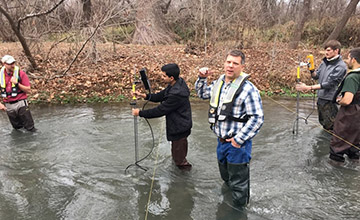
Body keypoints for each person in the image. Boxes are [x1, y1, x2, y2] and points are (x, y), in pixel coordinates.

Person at [195, 49, 264, 207]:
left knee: (239, 184)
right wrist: (201, 78)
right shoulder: (219, 83)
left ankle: (238, 211)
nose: (231, 66)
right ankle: (227, 202)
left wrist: (238, 140)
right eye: (228, 62)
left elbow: (257, 118)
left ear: (242, 66)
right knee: (226, 177)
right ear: (224, 63)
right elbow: (202, 94)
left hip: (237, 145)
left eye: (235, 63)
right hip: (221, 142)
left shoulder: (248, 89)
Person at [132, 63, 192, 170]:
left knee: (180, 162)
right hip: (178, 126)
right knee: (177, 156)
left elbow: (160, 111)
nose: (162, 78)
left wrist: (140, 113)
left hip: (180, 128)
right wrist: (144, 96)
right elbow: (161, 96)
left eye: (164, 76)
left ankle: (184, 181)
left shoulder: (177, 93)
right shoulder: (176, 83)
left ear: (171, 77)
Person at [296, 40, 347, 130]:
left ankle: (332, 142)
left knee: (331, 125)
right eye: (325, 50)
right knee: (323, 122)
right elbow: (316, 76)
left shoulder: (340, 66)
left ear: (336, 51)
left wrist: (309, 87)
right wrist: (311, 69)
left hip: (330, 100)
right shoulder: (324, 63)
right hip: (321, 98)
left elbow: (330, 83)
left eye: (328, 50)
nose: (326, 52)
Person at [329, 48, 360, 164]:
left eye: (348, 58)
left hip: (350, 115)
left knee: (338, 145)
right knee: (355, 145)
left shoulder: (353, 77)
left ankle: (333, 172)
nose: (347, 60)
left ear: (354, 59)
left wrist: (339, 101)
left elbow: (347, 100)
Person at [0, 55, 35, 131]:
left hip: (21, 104)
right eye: (10, 64)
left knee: (30, 129)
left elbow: (28, 90)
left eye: (13, 63)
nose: (13, 65)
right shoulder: (1, 75)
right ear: (4, 64)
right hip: (9, 106)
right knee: (17, 130)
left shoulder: (21, 74)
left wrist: (17, 84)